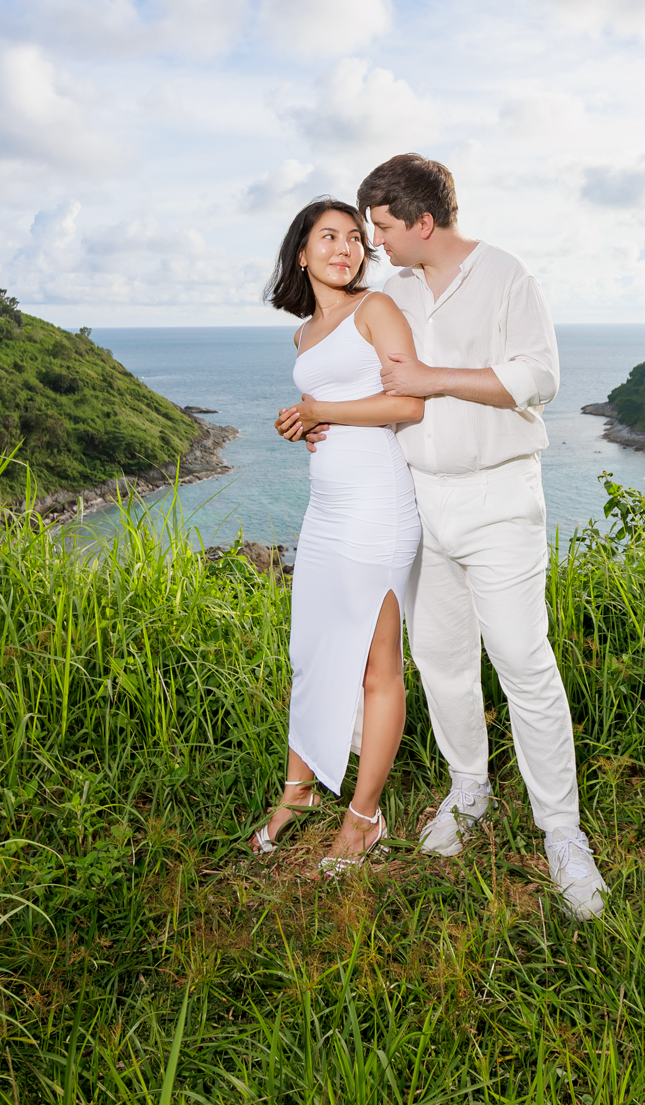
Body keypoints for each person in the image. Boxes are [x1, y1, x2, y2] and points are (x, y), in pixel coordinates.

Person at [282, 153, 607, 919]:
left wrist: (436, 379)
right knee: (441, 661)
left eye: (384, 229)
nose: (375, 243)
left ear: (423, 223)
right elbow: (350, 375)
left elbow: (541, 377)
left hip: (498, 497)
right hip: (417, 501)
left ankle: (562, 832)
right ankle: (470, 792)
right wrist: (316, 416)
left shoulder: (507, 277)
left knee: (524, 662)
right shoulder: (390, 292)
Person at [253, 198, 427, 873]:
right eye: (329, 237)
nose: (345, 248)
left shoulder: (375, 308)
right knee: (313, 651)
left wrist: (321, 408)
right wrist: (299, 424)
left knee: (376, 667)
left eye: (355, 237)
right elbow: (327, 413)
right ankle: (298, 790)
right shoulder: (304, 333)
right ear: (301, 251)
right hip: (324, 510)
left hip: (377, 507)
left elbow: (407, 402)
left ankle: (364, 818)